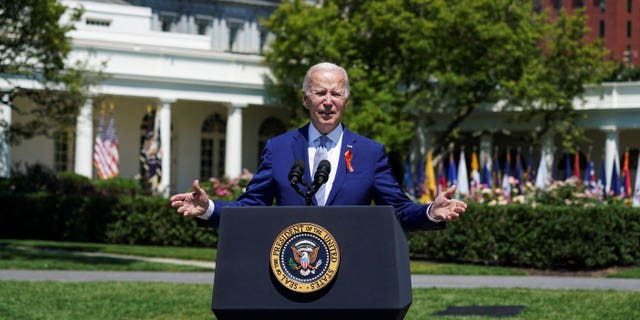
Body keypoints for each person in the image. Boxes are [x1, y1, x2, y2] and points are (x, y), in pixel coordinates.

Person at [170, 62, 466, 230]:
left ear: (346, 102)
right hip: (291, 267)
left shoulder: (369, 153)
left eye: (336, 94)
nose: (328, 100)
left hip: (352, 268)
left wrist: (430, 212)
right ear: (305, 99)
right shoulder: (279, 148)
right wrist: (209, 208)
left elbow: (399, 210)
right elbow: (252, 206)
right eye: (319, 92)